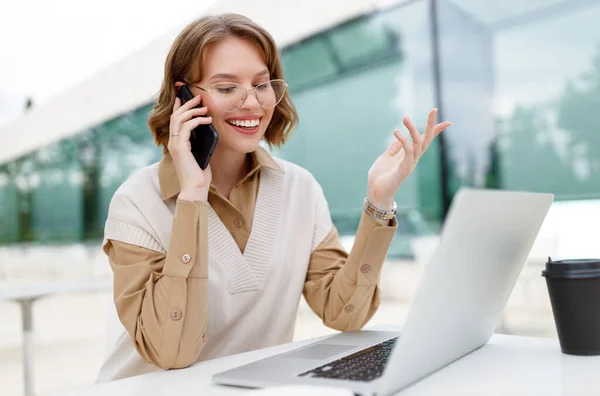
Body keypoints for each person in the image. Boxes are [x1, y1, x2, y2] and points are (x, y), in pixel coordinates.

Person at [96, 13, 451, 382]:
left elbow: (344, 313)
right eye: (226, 87)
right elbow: (171, 351)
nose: (252, 103)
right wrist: (191, 199)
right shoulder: (136, 202)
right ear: (184, 98)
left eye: (261, 84)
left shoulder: (300, 189)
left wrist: (378, 202)